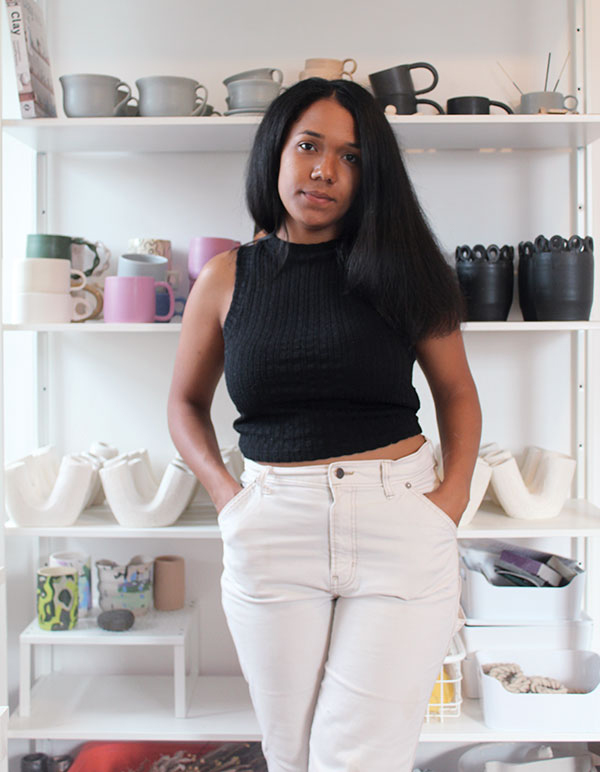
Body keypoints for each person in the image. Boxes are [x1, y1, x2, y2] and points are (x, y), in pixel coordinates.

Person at [168, 78, 482, 772]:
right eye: (309, 146)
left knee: (358, 757)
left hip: (397, 519)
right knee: (290, 753)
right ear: (276, 152)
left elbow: (456, 392)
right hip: (273, 522)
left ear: (371, 177)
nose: (323, 170)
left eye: (351, 157)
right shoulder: (226, 277)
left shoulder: (405, 271)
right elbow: (185, 404)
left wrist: (450, 502)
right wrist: (229, 499)